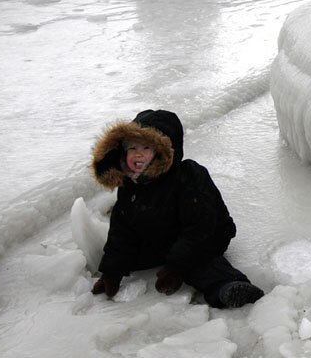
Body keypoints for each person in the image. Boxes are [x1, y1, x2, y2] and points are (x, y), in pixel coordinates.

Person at [90, 110, 263, 309]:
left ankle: (228, 287)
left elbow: (199, 228)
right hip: (162, 238)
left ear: (163, 151)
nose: (138, 154)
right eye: (132, 148)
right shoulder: (130, 186)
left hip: (204, 236)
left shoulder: (188, 176)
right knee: (130, 255)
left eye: (146, 147)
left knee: (201, 264)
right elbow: (122, 233)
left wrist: (175, 268)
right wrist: (111, 273)